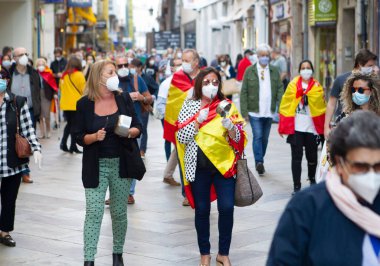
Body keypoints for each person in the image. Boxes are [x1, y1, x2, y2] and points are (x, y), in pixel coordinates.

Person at [267, 110, 380, 266]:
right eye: (361, 167)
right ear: (339, 163)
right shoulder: (307, 208)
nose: (371, 174)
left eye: (378, 167)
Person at [74, 60, 142, 266]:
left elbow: (138, 126)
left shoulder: (123, 99)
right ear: (98, 77)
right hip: (96, 165)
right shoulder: (84, 103)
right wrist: (93, 137)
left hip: (122, 164)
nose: (116, 75)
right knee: (93, 213)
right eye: (110, 72)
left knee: (119, 212)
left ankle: (117, 254)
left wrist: (130, 132)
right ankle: (89, 259)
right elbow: (78, 136)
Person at [177, 67, 246, 266]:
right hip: (198, 167)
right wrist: (197, 121)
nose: (211, 86)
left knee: (226, 208)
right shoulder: (189, 105)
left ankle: (223, 253)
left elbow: (240, 140)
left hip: (223, 166)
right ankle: (204, 254)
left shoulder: (227, 106)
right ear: (199, 84)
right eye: (206, 82)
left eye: (215, 82)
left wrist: (231, 128)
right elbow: (181, 137)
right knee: (202, 210)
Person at [0, 71, 42, 248]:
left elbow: (28, 129)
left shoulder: (17, 102)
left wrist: (36, 148)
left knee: (9, 199)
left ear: (7, 81)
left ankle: (5, 231)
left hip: (11, 161)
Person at [278, 60, 326, 194]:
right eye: (303, 68)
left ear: (312, 70)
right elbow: (285, 104)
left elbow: (322, 106)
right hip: (296, 128)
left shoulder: (317, 86)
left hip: (312, 128)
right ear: (299, 70)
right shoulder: (292, 85)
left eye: (308, 68)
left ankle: (312, 179)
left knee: (312, 157)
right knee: (296, 158)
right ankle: (297, 186)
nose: (306, 70)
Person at [164, 48, 201, 206]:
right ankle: (186, 194)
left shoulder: (205, 76)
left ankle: (200, 191)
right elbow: (174, 100)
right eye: (183, 60)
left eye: (187, 61)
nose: (184, 64)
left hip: (202, 125)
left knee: (199, 160)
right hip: (183, 126)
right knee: (183, 159)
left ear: (196, 62)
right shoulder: (178, 77)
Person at [240, 43, 284, 175]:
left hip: (269, 111)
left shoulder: (274, 70)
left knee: (265, 138)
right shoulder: (250, 70)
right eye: (262, 55)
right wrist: (244, 111)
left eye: (267, 55)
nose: (265, 58)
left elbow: (280, 89)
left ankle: (261, 158)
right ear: (258, 56)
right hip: (254, 111)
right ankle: (259, 162)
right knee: (258, 136)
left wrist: (280, 107)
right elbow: (244, 91)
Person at [116, 55, 151, 204]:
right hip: (116, 122)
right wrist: (125, 96)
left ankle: (129, 193)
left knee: (131, 158)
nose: (123, 68)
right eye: (120, 66)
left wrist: (141, 98)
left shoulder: (137, 79)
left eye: (125, 65)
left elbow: (149, 98)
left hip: (134, 123)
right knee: (115, 160)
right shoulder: (112, 81)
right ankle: (116, 193)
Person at [324, 49, 378, 138]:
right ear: (359, 64)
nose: (373, 68)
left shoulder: (374, 82)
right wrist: (326, 127)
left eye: (374, 66)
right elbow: (331, 104)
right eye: (370, 66)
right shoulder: (341, 79)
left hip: (368, 124)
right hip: (346, 124)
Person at [8, 47, 42, 183]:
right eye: (21, 54)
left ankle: (25, 171)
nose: (24, 56)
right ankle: (12, 168)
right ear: (14, 58)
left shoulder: (33, 73)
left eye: (26, 54)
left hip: (30, 111)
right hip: (11, 111)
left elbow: (38, 93)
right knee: (12, 140)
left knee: (26, 141)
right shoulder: (9, 73)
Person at [155, 58, 182, 186]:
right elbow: (160, 105)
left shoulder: (187, 82)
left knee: (179, 147)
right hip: (174, 122)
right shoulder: (166, 84)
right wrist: (171, 118)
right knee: (179, 147)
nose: (181, 67)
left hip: (186, 121)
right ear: (171, 68)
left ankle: (168, 174)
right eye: (178, 65)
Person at [59, 55, 85, 153]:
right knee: (75, 126)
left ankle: (64, 143)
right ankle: (72, 145)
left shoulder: (64, 75)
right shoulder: (79, 74)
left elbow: (60, 88)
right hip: (76, 104)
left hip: (66, 104)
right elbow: (83, 89)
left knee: (70, 124)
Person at [36, 58, 58, 139]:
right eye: (39, 64)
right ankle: (42, 133)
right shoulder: (35, 73)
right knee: (40, 116)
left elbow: (54, 85)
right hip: (37, 96)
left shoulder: (49, 73)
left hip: (47, 96)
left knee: (47, 115)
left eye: (42, 64)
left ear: (45, 65)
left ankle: (48, 131)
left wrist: (55, 93)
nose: (40, 66)